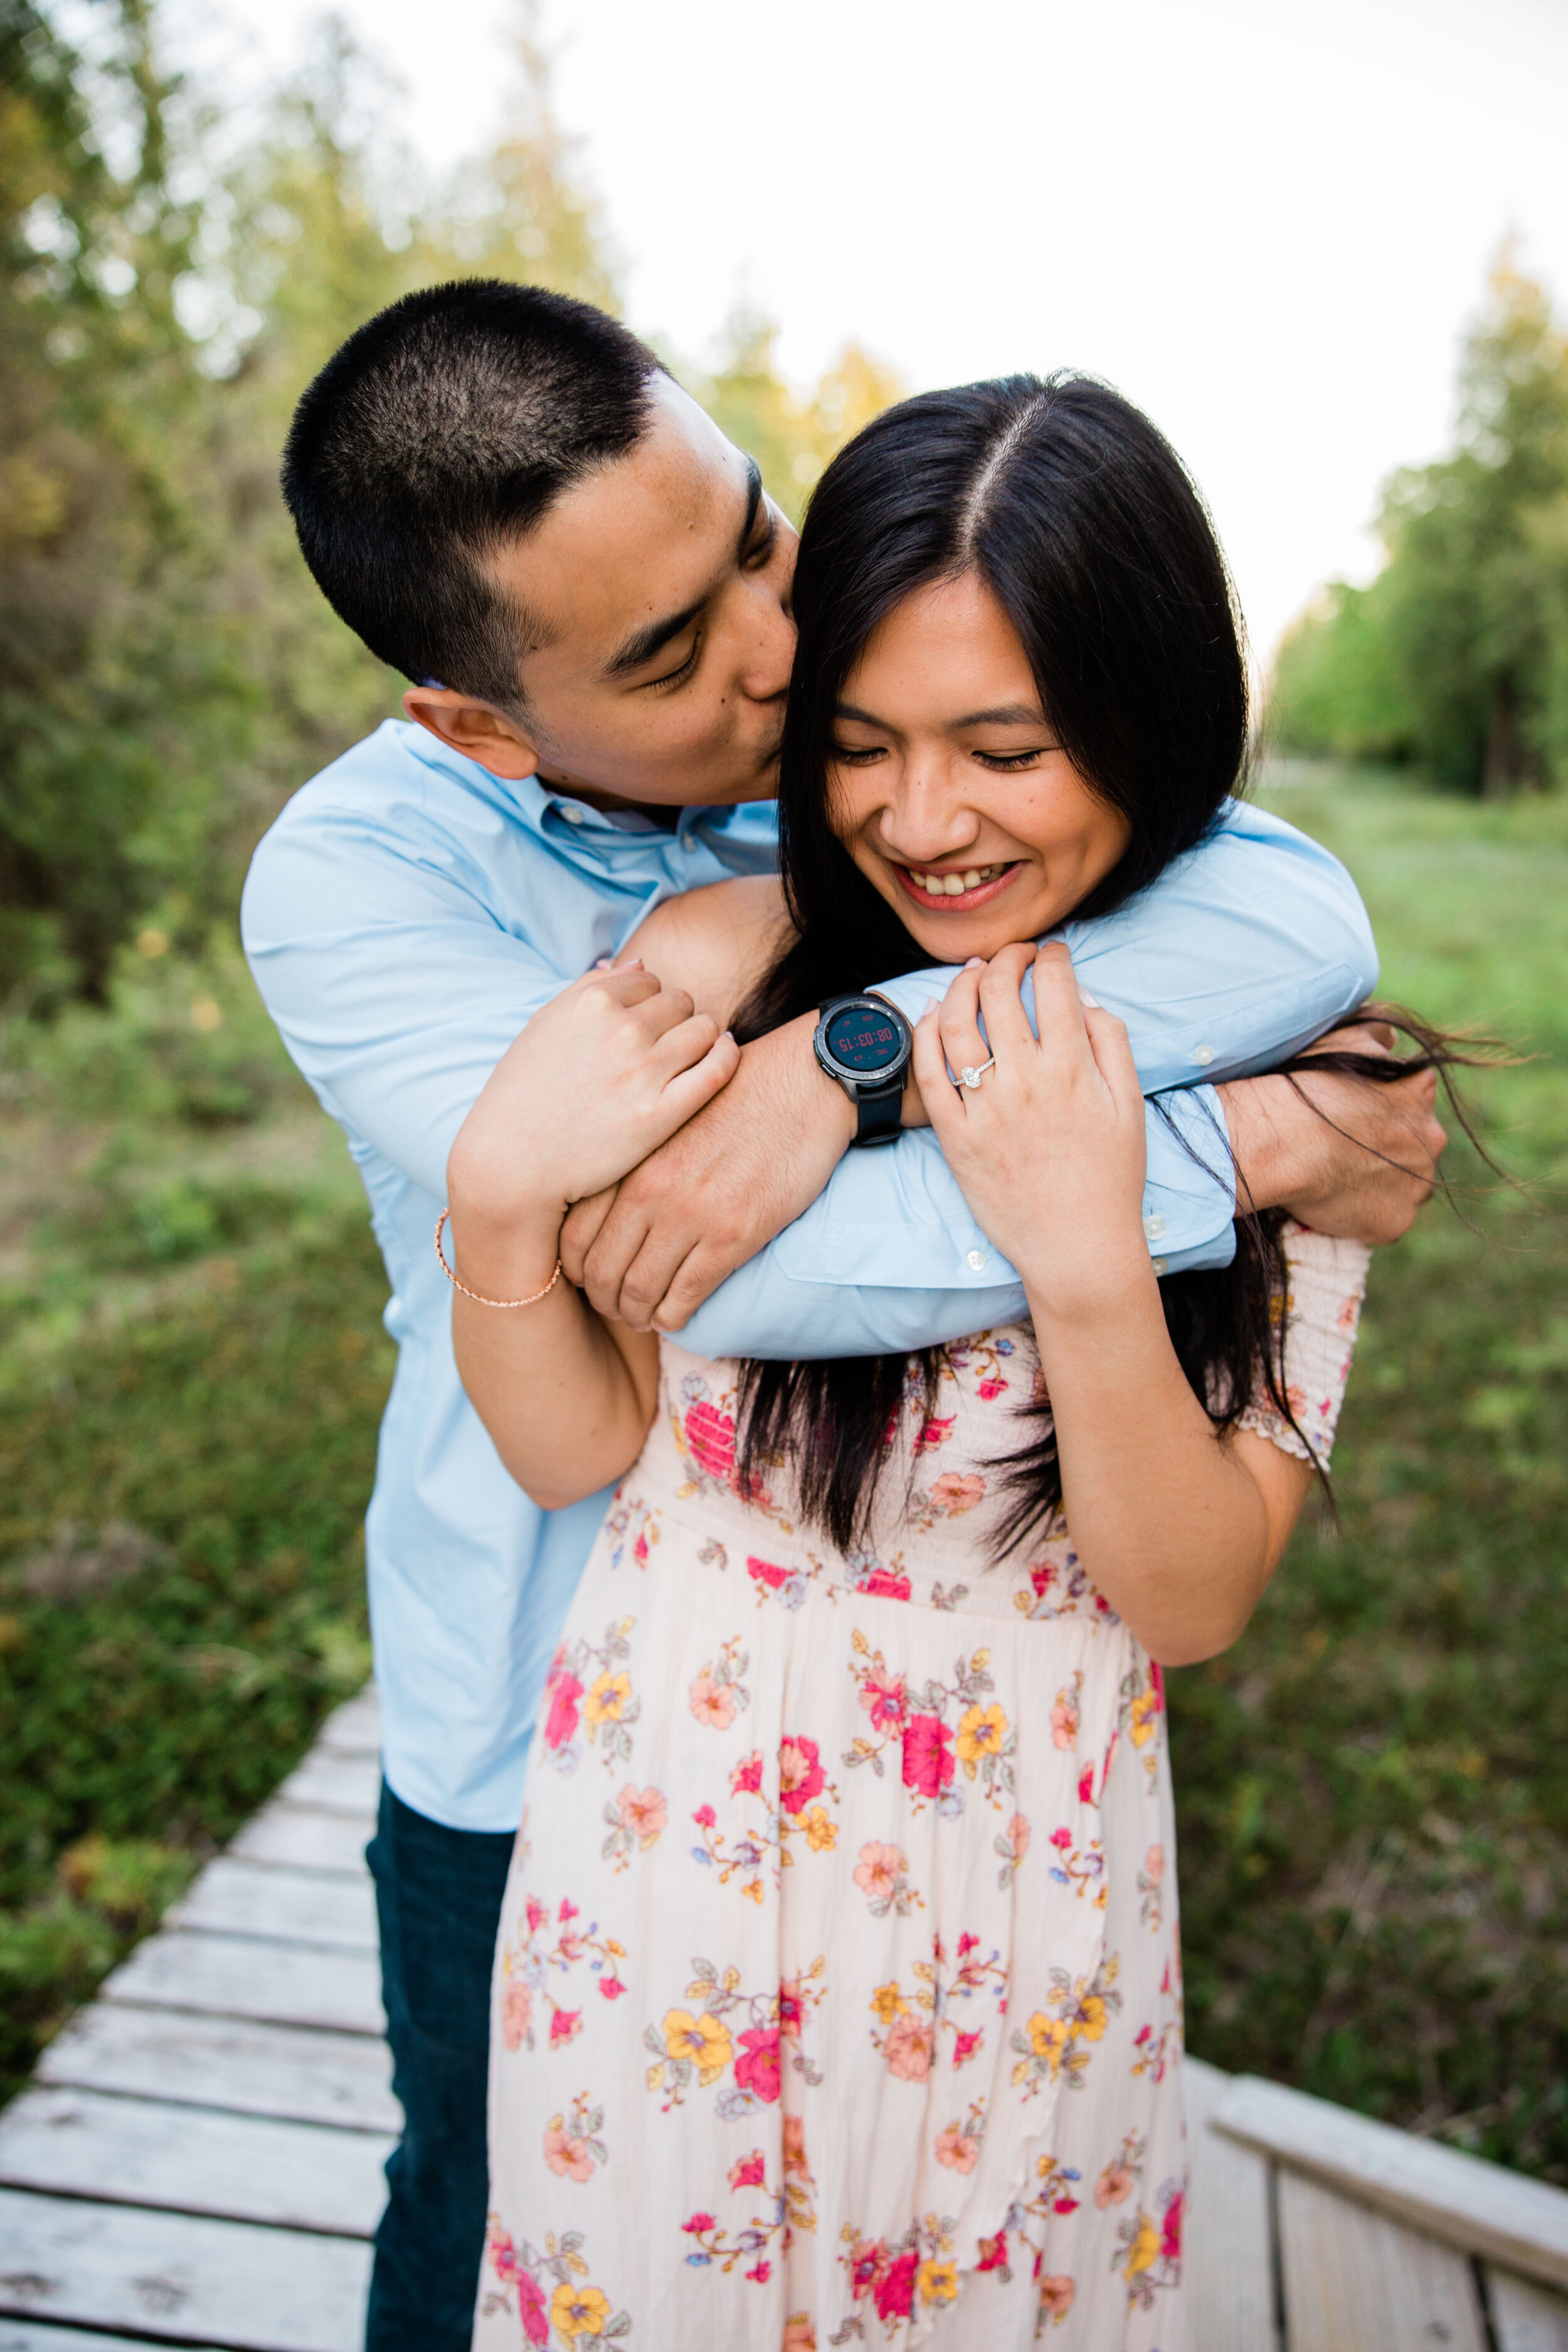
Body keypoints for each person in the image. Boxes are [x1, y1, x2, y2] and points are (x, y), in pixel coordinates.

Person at [241, 283, 1444, 2346]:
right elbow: (740, 1280)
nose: (784, 655)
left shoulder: (885, 718)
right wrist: (1229, 1151)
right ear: (477, 720)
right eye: (672, 650)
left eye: (753, 536)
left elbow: (1286, 903)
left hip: (988, 1811)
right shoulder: (361, 885)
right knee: (494, 2215)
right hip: (557, 1729)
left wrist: (851, 1041)